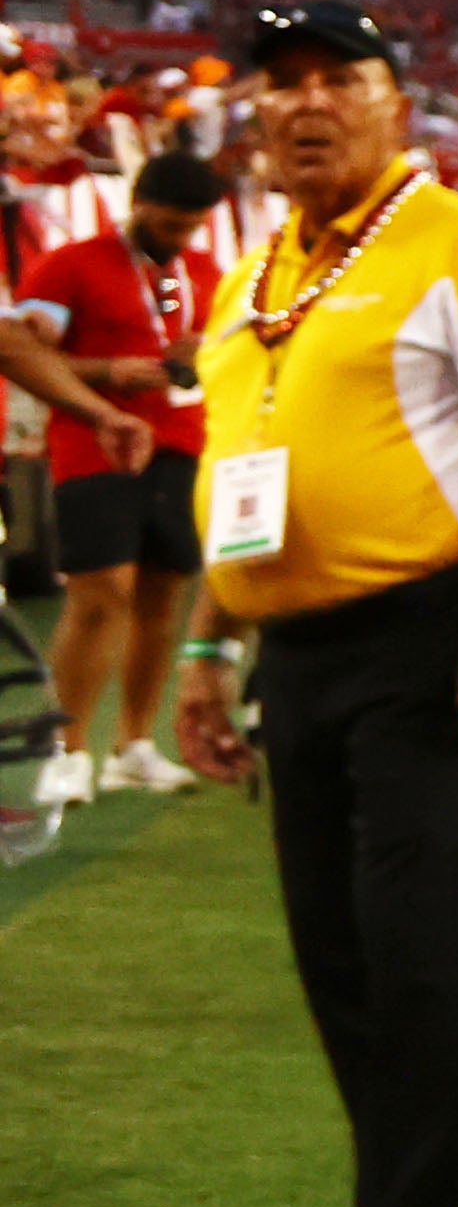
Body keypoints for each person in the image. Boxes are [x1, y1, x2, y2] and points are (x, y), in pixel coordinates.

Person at [171, 4, 458, 1207]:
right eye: (279, 88)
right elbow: (232, 473)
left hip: (429, 632)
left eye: (337, 81)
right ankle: (386, 1197)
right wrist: (207, 646)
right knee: (334, 943)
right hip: (297, 646)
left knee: (417, 941)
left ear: (399, 104)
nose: (303, 108)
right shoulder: (254, 276)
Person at [18, 144, 230, 806]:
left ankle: (133, 746)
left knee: (163, 598)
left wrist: (204, 355)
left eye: (192, 227)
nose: (181, 239)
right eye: (171, 225)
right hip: (93, 445)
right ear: (139, 205)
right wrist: (110, 372)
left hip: (183, 443)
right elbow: (25, 353)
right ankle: (68, 749)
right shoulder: (71, 265)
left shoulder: (204, 270)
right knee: (99, 595)